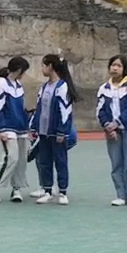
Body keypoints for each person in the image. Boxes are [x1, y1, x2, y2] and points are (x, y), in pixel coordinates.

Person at [29, 55, 80, 205]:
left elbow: (65, 111)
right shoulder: (44, 87)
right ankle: (47, 190)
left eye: (43, 65)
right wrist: (34, 127)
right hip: (43, 132)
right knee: (44, 162)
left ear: (50, 66)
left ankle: (63, 192)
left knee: (60, 161)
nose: (41, 69)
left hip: (56, 132)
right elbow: (39, 109)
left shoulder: (62, 87)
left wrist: (62, 131)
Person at [96, 56, 127, 207]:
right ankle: (121, 195)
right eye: (113, 65)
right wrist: (107, 126)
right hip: (112, 132)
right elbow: (100, 110)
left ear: (124, 68)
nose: (115, 68)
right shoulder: (104, 88)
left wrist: (117, 123)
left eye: (118, 65)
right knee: (116, 164)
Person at [0, 57, 31, 203]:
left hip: (20, 127)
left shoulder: (18, 85)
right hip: (7, 127)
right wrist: (1, 128)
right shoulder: (0, 84)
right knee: (11, 157)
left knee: (21, 159)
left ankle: (16, 188)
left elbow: (21, 107)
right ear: (19, 70)